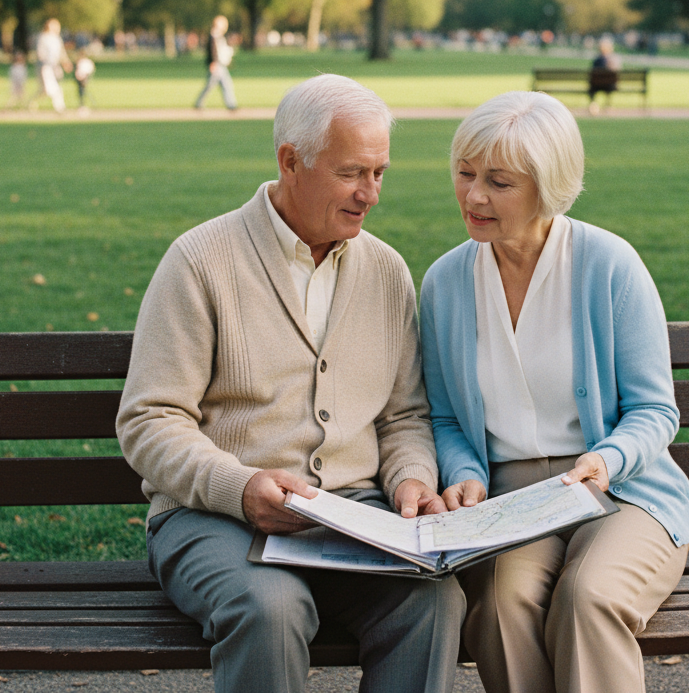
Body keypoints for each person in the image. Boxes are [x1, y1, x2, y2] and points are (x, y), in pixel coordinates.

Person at [117, 73, 464, 693]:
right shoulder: (200, 260)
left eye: (380, 172)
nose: (371, 195)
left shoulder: (385, 270)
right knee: (272, 609)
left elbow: (404, 417)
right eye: (353, 172)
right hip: (212, 517)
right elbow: (150, 420)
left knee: (432, 602)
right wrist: (241, 485)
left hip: (354, 517)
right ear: (290, 161)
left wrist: (411, 481)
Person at [419, 91, 689, 693]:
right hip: (512, 502)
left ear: (549, 187)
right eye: (465, 174)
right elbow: (442, 417)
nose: (474, 196)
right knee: (498, 605)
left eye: (498, 181)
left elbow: (654, 409)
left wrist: (605, 459)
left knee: (588, 595)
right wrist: (464, 470)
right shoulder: (444, 282)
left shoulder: (609, 265)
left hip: (622, 489)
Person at [193, 15, 237, 111]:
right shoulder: (214, 35)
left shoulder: (218, 36)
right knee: (210, 85)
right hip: (216, 65)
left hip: (220, 64)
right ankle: (199, 103)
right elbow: (212, 51)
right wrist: (213, 62)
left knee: (226, 84)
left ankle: (231, 104)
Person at [32, 18, 71, 114]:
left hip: (55, 66)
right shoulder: (43, 37)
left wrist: (65, 62)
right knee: (48, 89)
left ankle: (60, 107)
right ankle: (32, 103)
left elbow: (61, 52)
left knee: (55, 88)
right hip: (46, 66)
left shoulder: (57, 38)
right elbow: (40, 53)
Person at [588, 37, 622, 115]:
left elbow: (592, 72)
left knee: (592, 87)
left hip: (596, 86)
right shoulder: (615, 59)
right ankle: (608, 106)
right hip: (610, 86)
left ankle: (593, 104)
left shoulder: (597, 60)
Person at [74, 50, 95, 116]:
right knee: (80, 92)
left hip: (84, 77)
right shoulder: (79, 61)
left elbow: (89, 70)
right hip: (79, 78)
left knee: (82, 91)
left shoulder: (86, 62)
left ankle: (83, 105)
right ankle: (81, 105)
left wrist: (85, 78)